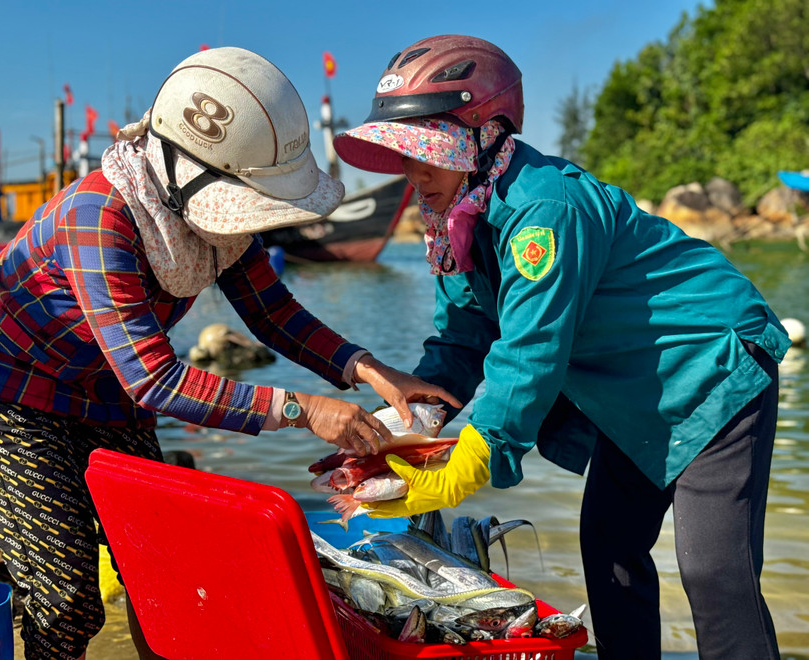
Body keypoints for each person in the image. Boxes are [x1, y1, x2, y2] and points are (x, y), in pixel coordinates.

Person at [0, 47, 458, 660]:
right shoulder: (98, 217)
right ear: (179, 168)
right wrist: (304, 410)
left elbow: (274, 313)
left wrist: (371, 369)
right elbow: (155, 382)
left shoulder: (219, 230)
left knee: (157, 565)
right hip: (15, 385)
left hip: (107, 390)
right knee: (66, 598)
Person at [333, 34, 788, 659]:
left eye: (425, 152)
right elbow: (464, 339)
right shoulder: (457, 221)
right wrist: (414, 421)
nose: (413, 175)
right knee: (609, 548)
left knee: (714, 572)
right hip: (634, 391)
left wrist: (468, 463)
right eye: (403, 157)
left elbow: (530, 355)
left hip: (713, 362)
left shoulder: (546, 209)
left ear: (484, 133)